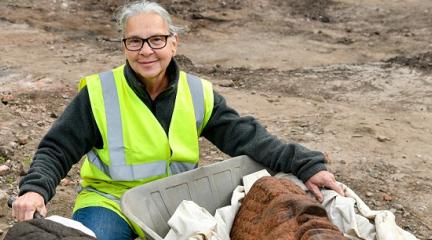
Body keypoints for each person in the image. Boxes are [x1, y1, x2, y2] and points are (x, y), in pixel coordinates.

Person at [11, 1, 344, 240]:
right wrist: (35, 191)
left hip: (175, 204)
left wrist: (306, 164)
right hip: (109, 203)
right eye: (135, 41)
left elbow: (247, 136)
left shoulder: (198, 93)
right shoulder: (99, 92)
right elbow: (56, 149)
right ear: (124, 46)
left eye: (156, 40)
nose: (146, 51)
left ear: (173, 41)